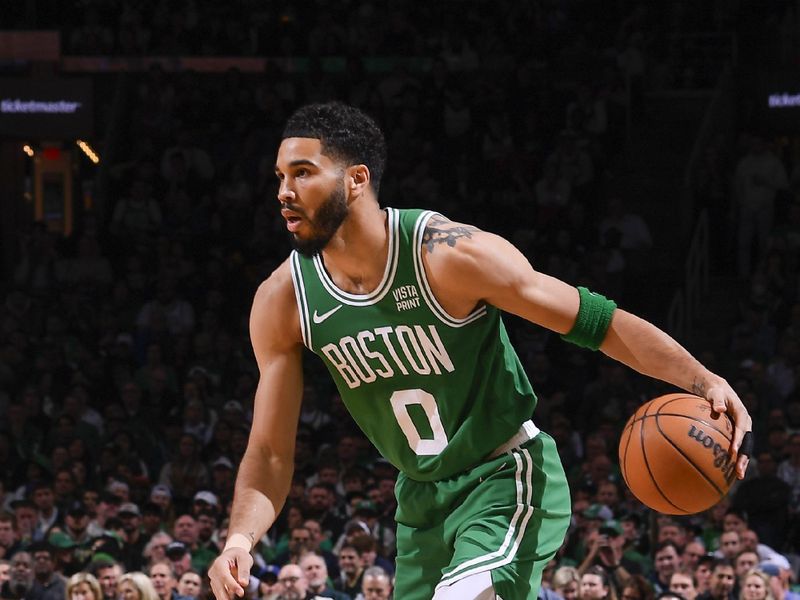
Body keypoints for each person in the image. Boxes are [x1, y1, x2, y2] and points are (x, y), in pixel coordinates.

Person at [207, 101, 753, 600]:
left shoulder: (448, 254)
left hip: (507, 475)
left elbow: (597, 322)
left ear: (355, 180)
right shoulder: (283, 300)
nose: (283, 190)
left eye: (302, 173)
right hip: (420, 504)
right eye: (280, 176)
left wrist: (704, 381)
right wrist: (239, 539)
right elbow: (272, 451)